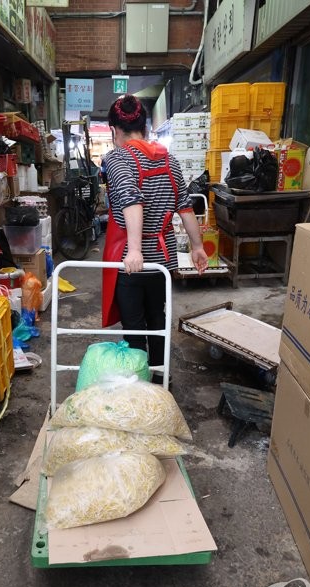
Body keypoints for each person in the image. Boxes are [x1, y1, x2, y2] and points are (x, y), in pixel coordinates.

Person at [101, 94, 208, 382]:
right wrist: (197, 247)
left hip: (132, 262)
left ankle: (140, 384)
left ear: (114, 130)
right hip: (163, 259)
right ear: (145, 128)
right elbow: (185, 206)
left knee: (135, 326)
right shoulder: (169, 161)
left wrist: (135, 250)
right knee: (157, 319)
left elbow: (132, 200)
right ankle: (161, 379)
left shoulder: (117, 158)